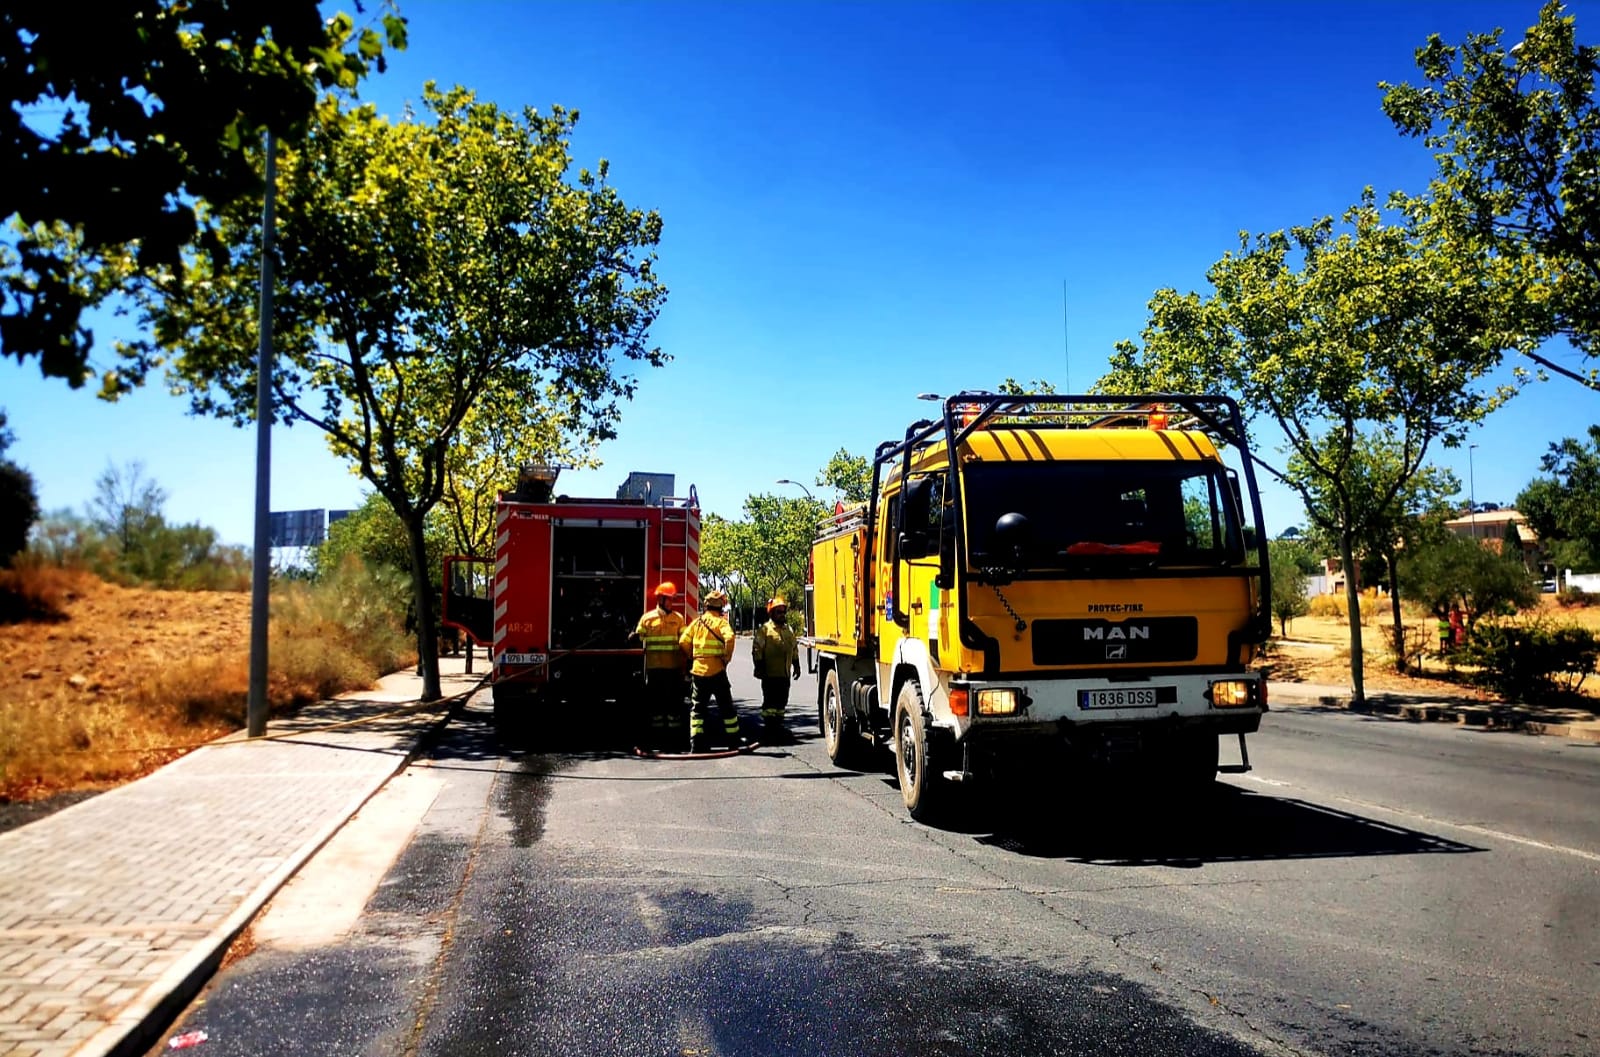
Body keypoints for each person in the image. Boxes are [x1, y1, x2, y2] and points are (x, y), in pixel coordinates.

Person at [679, 588, 744, 752]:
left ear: (706, 606)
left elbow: (682, 642)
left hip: (698, 673)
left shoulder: (697, 623)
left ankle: (696, 743)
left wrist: (692, 658)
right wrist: (726, 658)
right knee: (727, 708)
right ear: (721, 607)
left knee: (698, 710)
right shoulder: (721, 622)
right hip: (717, 672)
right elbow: (729, 637)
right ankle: (734, 741)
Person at [629, 581, 687, 747]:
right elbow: (639, 637)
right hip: (654, 670)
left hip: (673, 669)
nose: (671, 602)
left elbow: (685, 640)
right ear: (660, 599)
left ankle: (674, 736)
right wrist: (633, 637)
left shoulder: (678, 619)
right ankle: (657, 736)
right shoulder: (647, 619)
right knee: (656, 704)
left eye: (672, 599)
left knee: (673, 704)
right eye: (669, 599)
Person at [751, 596, 801, 743]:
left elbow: (794, 648)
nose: (782, 615)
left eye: (783, 612)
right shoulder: (765, 630)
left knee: (781, 702)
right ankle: (769, 728)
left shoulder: (788, 630)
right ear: (771, 613)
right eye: (778, 612)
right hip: (770, 674)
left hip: (784, 674)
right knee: (770, 703)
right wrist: (759, 666)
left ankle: (778, 726)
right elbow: (757, 649)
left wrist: (796, 664)